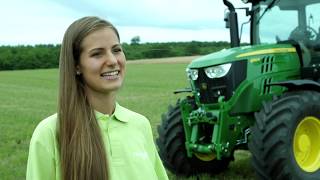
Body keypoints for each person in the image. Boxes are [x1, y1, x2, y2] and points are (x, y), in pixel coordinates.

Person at [26, 16, 169, 180]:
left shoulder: (140, 124)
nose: (113, 61)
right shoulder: (50, 133)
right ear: (76, 66)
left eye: (116, 50)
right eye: (97, 54)